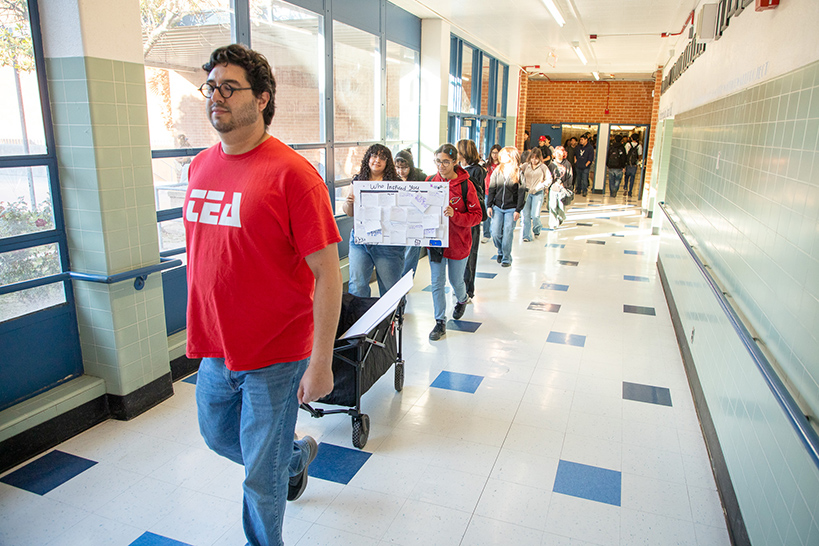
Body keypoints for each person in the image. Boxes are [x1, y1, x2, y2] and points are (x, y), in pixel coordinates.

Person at [185, 44, 342, 546]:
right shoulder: (199, 167)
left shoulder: (293, 175)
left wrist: (320, 362)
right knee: (217, 436)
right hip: (215, 346)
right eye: (212, 86)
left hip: (275, 352)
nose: (217, 96)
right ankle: (292, 456)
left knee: (258, 476)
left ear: (263, 98)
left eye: (230, 87)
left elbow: (328, 274)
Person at [426, 144, 483, 341]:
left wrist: (455, 215)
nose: (441, 166)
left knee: (456, 281)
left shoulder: (466, 185)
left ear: (455, 162)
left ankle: (462, 299)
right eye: (438, 161)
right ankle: (439, 322)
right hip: (436, 242)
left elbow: (477, 216)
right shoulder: (429, 181)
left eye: (445, 162)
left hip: (459, 243)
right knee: (436, 283)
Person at [343, 144, 405, 297]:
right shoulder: (358, 181)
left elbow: (403, 216)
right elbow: (350, 213)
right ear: (368, 158)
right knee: (357, 286)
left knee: (390, 287)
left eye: (382, 158)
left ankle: (393, 318)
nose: (377, 160)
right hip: (360, 240)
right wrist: (349, 203)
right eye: (374, 156)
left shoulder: (396, 184)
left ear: (387, 162)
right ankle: (361, 318)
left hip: (387, 242)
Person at [457, 139, 487, 303]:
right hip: (460, 219)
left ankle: (468, 288)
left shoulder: (475, 171)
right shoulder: (461, 170)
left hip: (472, 218)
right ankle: (461, 286)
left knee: (470, 254)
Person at [486, 146, 525, 267]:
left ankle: (506, 257)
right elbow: (492, 188)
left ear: (511, 156)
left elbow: (522, 192)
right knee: (495, 233)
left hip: (511, 208)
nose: (500, 156)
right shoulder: (498, 170)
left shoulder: (518, 172)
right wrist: (489, 205)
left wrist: (518, 210)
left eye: (504, 154)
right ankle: (500, 250)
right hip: (497, 207)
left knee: (508, 232)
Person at [395, 148, 427, 278]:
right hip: (398, 220)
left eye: (404, 168)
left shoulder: (421, 177)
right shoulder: (393, 178)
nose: (401, 171)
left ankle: (407, 279)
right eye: (398, 168)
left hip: (416, 221)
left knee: (412, 251)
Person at [519, 147, 551, 241]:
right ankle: (526, 236)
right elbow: (517, 173)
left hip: (538, 193)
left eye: (536, 158)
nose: (534, 160)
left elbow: (549, 179)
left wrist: (541, 186)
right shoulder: (525, 166)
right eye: (532, 158)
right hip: (526, 193)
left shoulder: (543, 167)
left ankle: (537, 229)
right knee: (526, 215)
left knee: (535, 214)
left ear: (539, 158)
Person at [547, 146, 572, 229]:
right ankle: (552, 223)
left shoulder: (567, 164)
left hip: (562, 189)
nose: (558, 155)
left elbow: (570, 176)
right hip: (553, 188)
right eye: (557, 153)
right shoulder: (551, 164)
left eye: (560, 153)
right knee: (552, 206)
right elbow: (548, 177)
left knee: (561, 207)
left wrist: (565, 185)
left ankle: (560, 219)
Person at [481, 144, 502, 243]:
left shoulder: (502, 165)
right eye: (493, 153)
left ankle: (497, 232)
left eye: (497, 153)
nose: (494, 155)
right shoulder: (487, 165)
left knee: (497, 214)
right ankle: (486, 234)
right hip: (487, 192)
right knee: (486, 212)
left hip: (499, 193)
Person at [624, 133, 642, 197]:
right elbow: (640, 155)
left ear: (631, 138)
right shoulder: (639, 146)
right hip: (634, 164)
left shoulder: (628, 144)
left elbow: (625, 153)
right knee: (632, 178)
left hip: (628, 163)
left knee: (626, 176)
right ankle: (630, 191)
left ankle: (625, 187)